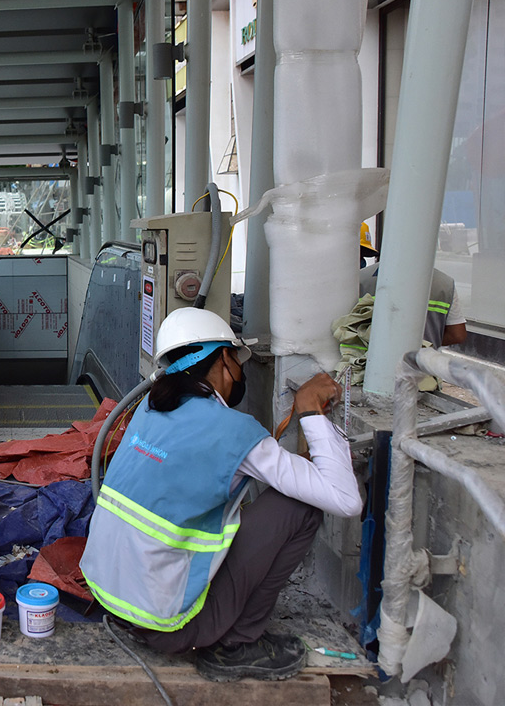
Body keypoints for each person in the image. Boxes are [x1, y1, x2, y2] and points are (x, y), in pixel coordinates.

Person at [80, 308, 362, 682]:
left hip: (113, 601)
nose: (241, 373)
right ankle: (238, 645)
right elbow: (345, 499)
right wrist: (311, 411)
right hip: (168, 625)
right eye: (238, 360)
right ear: (225, 359)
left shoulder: (149, 410)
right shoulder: (233, 431)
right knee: (300, 507)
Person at [359, 261, 466, 347]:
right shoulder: (444, 283)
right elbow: (457, 335)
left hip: (368, 367)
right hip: (420, 367)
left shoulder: (361, 279)